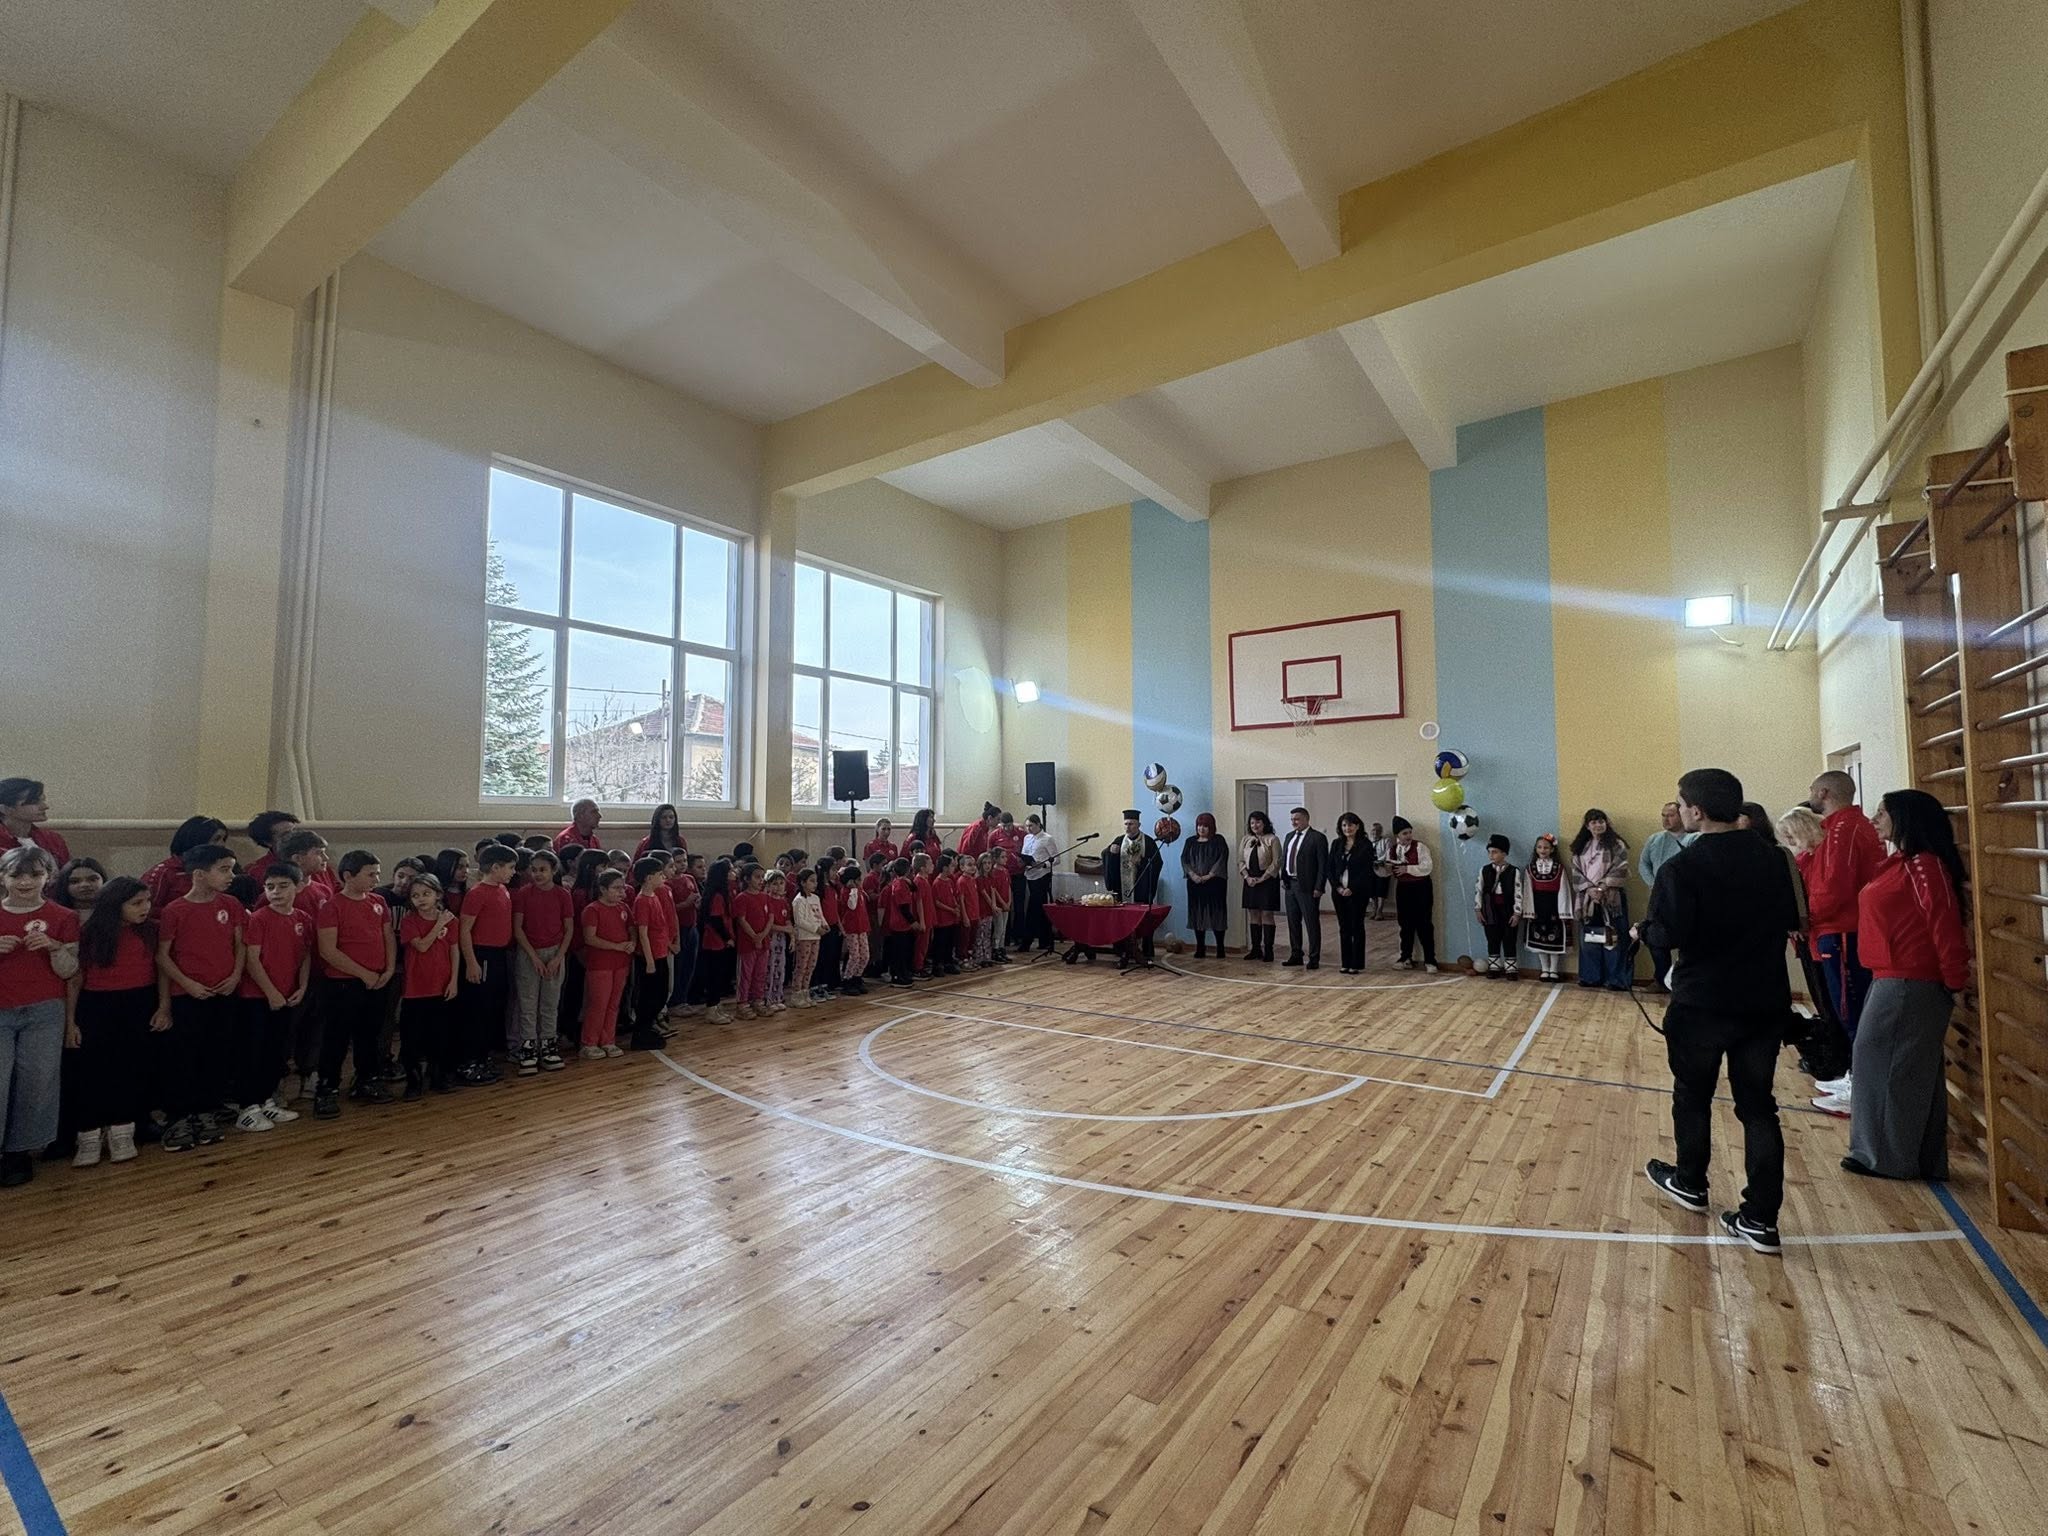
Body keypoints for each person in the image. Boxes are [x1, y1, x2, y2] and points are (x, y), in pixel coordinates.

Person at [1639, 767, 1800, 1255]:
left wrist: (1643, 931)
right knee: (1759, 1107)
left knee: (1692, 1095)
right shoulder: (1776, 859)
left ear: (1697, 810)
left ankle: (1690, 1181)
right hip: (1763, 1001)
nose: (1679, 810)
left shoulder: (1683, 867)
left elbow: (1668, 933)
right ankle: (1761, 1219)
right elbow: (1793, 918)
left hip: (1704, 1003)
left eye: (1681, 802)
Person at [1841, 790, 1972, 1177]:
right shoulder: (1900, 863)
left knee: (1884, 1066)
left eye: (1882, 813)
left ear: (1905, 819)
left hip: (1909, 981)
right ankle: (1918, 1157)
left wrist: (1954, 978)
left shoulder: (1923, 866)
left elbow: (1943, 923)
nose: (1874, 819)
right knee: (1910, 1069)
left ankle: (1882, 1157)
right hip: (1893, 976)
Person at [1803, 770, 1886, 1106]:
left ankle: (1862, 1089)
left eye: (1812, 789)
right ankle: (1854, 1075)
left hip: (1842, 930)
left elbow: (1834, 887)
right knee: (1845, 1010)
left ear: (1824, 792)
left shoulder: (1845, 829)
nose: (1809, 793)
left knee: (1851, 1009)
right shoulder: (1834, 828)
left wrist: (1807, 916)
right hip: (1834, 929)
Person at [155, 843, 245, 1146]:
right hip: (188, 995)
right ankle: (180, 1116)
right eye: (224, 869)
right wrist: (187, 983)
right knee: (184, 1056)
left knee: (217, 1053)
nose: (231, 875)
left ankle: (207, 1110)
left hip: (223, 992)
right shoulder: (175, 910)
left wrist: (235, 976)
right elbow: (163, 956)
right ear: (199, 874)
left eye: (231, 869)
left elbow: (240, 945)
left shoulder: (231, 904)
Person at [68, 876, 162, 1167]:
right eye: (136, 903)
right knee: (95, 1069)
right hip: (97, 1005)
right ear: (115, 904)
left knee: (132, 1067)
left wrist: (164, 1007)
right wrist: (70, 1021)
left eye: (147, 901)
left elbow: (161, 969)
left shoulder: (151, 931)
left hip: (140, 1002)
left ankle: (124, 1130)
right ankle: (89, 1133)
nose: (144, 908)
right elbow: (76, 978)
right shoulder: (91, 933)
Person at [311, 851, 395, 1118]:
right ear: (348, 876)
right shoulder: (332, 906)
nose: (376, 879)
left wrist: (389, 968)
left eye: (377, 874)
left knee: (370, 1034)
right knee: (336, 1037)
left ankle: (366, 1080)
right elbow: (328, 950)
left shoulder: (378, 901)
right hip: (344, 984)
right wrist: (363, 974)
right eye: (370, 874)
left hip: (377, 981)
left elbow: (387, 937)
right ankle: (327, 1088)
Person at [236, 863, 312, 1133]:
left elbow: (305, 955)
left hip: (287, 996)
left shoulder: (303, 918)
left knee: (276, 1051)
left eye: (283, 886)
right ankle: (247, 1107)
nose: (276, 892)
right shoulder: (259, 918)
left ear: (298, 887)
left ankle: (265, 1099)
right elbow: (252, 960)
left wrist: (302, 986)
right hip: (257, 997)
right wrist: (271, 992)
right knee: (254, 1052)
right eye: (270, 887)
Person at [1777, 805, 1850, 1084]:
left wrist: (1801, 920)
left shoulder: (1819, 857)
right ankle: (1836, 1060)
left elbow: (1821, 897)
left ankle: (1842, 1065)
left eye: (1791, 835)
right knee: (1824, 1001)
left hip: (1824, 935)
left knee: (1836, 1004)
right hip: (1811, 938)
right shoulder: (1805, 858)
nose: (1789, 842)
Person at [457, 844, 516, 1083]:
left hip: (499, 955)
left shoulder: (502, 889)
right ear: (495, 867)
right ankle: (470, 1062)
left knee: (492, 1008)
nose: (513, 872)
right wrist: (472, 962)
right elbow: (464, 930)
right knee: (479, 1010)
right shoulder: (477, 893)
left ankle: (482, 1057)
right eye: (510, 867)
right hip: (483, 956)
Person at [398, 874, 460, 1095]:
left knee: (440, 1034)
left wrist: (454, 980)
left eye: (426, 894)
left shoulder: (451, 920)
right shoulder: (409, 921)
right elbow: (422, 946)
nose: (421, 899)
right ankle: (413, 1080)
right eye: (415, 895)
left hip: (441, 986)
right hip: (415, 989)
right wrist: (439, 924)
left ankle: (439, 1075)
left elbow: (454, 950)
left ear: (437, 895)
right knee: (412, 1037)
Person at [512, 849, 572, 1073]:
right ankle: (528, 1048)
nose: (537, 874)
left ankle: (548, 1045)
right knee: (528, 1003)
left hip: (554, 953)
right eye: (534, 870)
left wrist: (558, 957)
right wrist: (534, 957)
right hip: (529, 953)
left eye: (543, 870)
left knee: (550, 1003)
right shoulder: (523, 894)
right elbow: (518, 929)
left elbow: (568, 929)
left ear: (553, 870)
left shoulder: (562, 895)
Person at [1569, 810, 1632, 990]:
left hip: (1611, 898)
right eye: (1594, 822)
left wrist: (1603, 886)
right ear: (1587, 826)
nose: (1598, 825)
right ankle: (1590, 977)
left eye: (1601, 821)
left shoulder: (1616, 844)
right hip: (1587, 899)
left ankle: (1616, 980)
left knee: (1614, 938)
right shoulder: (1581, 846)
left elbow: (1621, 868)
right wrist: (1589, 889)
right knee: (1589, 938)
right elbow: (1576, 871)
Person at [577, 870, 634, 1057]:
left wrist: (632, 942)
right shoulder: (592, 910)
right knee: (598, 1004)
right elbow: (590, 938)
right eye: (616, 888)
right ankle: (589, 1042)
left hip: (621, 963)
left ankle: (608, 1040)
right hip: (600, 965)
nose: (621, 892)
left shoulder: (623, 908)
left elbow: (631, 928)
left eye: (622, 888)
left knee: (614, 1003)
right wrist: (616, 946)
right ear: (602, 889)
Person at [1638, 803, 1691, 989]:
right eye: (1663, 815)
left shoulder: (1694, 839)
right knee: (1655, 938)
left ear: (1681, 815)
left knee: (1686, 939)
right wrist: (1654, 884)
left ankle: (1682, 981)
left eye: (1670, 815)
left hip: (1683, 898)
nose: (1666, 819)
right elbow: (1643, 864)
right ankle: (1661, 979)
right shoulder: (1655, 839)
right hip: (1658, 899)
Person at [142, 817, 230, 914]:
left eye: (223, 839)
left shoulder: (221, 871)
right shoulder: (164, 872)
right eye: (216, 839)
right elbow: (145, 912)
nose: (222, 845)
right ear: (197, 840)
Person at [1108, 811, 1163, 963]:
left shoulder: (1148, 842)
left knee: (1144, 918)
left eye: (1131, 824)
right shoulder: (1119, 841)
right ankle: (1122, 947)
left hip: (1141, 888)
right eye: (1126, 824)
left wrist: (1143, 862)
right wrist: (1111, 853)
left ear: (1138, 825)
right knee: (1121, 918)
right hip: (1123, 888)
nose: (1128, 827)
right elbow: (1107, 856)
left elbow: (1157, 863)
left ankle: (1146, 948)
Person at [1277, 808, 1329, 969]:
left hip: (1307, 886)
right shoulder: (1289, 836)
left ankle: (1314, 957)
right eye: (1292, 819)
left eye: (1297, 819)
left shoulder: (1317, 838)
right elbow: (1285, 858)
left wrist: (1319, 886)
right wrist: (1284, 877)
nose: (1294, 822)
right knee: (1293, 922)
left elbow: (1322, 865)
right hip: (1290, 885)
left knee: (1311, 923)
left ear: (1306, 819)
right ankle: (1296, 954)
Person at [631, 856, 675, 1041]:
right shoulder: (642, 901)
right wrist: (649, 961)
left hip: (660, 952)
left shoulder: (654, 896)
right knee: (649, 995)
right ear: (649, 878)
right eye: (659, 874)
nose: (663, 877)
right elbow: (643, 933)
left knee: (661, 993)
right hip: (650, 956)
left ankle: (649, 1026)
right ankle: (642, 1030)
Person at [1386, 818, 1438, 972]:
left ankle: (1430, 960)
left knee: (1424, 924)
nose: (1408, 835)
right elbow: (1388, 869)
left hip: (1421, 888)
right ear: (1397, 835)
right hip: (1403, 888)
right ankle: (1406, 957)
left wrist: (1407, 869)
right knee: (1405, 924)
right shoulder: (1392, 850)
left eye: (1410, 832)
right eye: (1404, 833)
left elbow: (1427, 867)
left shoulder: (1420, 847)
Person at [1326, 814, 1375, 974]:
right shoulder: (1336, 844)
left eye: (1351, 825)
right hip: (1339, 892)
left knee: (1357, 926)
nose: (1347, 828)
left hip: (1358, 892)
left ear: (1358, 826)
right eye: (1344, 825)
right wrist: (1338, 887)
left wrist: (1352, 888)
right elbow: (1330, 868)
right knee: (1344, 927)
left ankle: (1356, 963)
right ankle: (1345, 962)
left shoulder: (1365, 845)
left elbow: (1366, 871)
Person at [1521, 834, 1573, 981]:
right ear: (1536, 849)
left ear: (1552, 849)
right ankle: (1544, 969)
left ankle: (1554, 969)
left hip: (1554, 907)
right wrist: (1529, 910)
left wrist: (1564, 911)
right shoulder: (1530, 868)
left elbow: (1564, 889)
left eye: (1546, 847)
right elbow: (1527, 890)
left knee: (1554, 939)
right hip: (1537, 907)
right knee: (1539, 940)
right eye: (1539, 847)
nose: (1542, 850)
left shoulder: (1559, 868)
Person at [1180, 814, 1231, 959]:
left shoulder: (1219, 840)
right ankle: (1200, 947)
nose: (1201, 829)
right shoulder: (1190, 841)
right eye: (1199, 825)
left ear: (1211, 827)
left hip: (1215, 883)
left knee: (1217, 913)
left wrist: (1209, 875)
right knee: (1197, 913)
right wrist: (1193, 874)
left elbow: (1222, 858)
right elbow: (1184, 859)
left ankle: (1220, 947)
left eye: (1205, 826)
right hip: (1194, 883)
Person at [1475, 835, 1521, 979]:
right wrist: (1478, 909)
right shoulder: (1484, 870)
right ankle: (1494, 967)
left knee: (1509, 938)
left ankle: (1511, 969)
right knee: (1492, 938)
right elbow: (1479, 890)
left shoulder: (1514, 871)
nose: (1491, 855)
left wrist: (1517, 913)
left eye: (1494, 852)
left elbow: (1518, 893)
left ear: (1504, 853)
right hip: (1490, 909)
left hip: (1507, 909)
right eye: (1489, 852)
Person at [1239, 811, 1282, 962]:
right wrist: (1247, 877)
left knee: (1267, 914)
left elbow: (1276, 862)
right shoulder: (1246, 839)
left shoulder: (1273, 839)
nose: (1255, 825)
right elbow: (1240, 861)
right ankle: (1256, 949)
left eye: (1258, 822)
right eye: (1252, 823)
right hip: (1250, 880)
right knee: (1253, 913)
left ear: (1264, 823)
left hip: (1267, 881)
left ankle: (1269, 950)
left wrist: (1262, 879)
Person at [0, 780, 71, 869]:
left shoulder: (52, 839)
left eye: (42, 800)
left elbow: (67, 873)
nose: (45, 806)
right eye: (34, 802)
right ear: (4, 809)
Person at [733, 864, 773, 1017]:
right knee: (745, 974)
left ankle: (758, 1000)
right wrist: (754, 936)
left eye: (762, 877)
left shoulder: (765, 897)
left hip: (763, 942)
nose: (761, 880)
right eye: (757, 877)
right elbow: (741, 920)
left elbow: (770, 918)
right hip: (747, 943)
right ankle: (742, 1003)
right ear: (746, 879)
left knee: (760, 973)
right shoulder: (742, 897)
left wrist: (762, 935)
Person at [1020, 815, 1058, 952]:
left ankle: (1027, 941)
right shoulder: (1027, 838)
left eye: (1031, 826)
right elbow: (1025, 854)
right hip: (1029, 874)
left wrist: (1043, 865)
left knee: (1034, 908)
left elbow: (1056, 859)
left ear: (1038, 824)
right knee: (1040, 908)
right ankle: (1044, 940)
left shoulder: (1047, 838)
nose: (1029, 829)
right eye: (1027, 826)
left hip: (1042, 876)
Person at [790, 869, 825, 1008]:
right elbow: (800, 921)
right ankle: (796, 994)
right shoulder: (799, 900)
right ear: (803, 882)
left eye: (816, 881)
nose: (815, 884)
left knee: (811, 966)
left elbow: (820, 914)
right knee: (801, 966)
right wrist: (816, 928)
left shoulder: (815, 898)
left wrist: (824, 925)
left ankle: (805, 992)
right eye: (811, 881)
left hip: (816, 937)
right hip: (804, 937)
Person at [884, 857, 919, 988]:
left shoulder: (902, 882)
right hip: (899, 923)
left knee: (904, 950)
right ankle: (897, 975)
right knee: (898, 951)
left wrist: (907, 880)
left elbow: (914, 888)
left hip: (903, 924)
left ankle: (903, 972)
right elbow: (903, 907)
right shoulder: (899, 885)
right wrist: (913, 921)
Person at [761, 868, 792, 1012]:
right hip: (770, 937)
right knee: (769, 968)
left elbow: (787, 920)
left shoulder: (784, 902)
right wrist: (785, 929)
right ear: (767, 885)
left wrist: (792, 936)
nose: (778, 887)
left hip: (781, 939)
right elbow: (769, 924)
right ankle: (767, 999)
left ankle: (777, 996)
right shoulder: (766, 900)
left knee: (780, 968)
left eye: (781, 883)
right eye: (774, 883)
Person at [837, 865, 871, 995]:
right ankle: (847, 979)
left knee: (865, 955)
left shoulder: (860, 890)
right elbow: (852, 906)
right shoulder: (846, 891)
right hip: (851, 928)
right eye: (858, 879)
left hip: (862, 926)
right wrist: (853, 890)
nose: (860, 882)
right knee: (854, 956)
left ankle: (857, 976)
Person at [243, 811, 301, 884]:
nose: (295, 837)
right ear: (267, 842)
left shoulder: (310, 861)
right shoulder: (255, 871)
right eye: (286, 835)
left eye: (295, 832)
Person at [1366, 822, 1391, 921]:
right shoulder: (1367, 842)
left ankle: (1380, 911)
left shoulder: (1386, 840)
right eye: (1373, 830)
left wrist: (1377, 861)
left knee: (1381, 890)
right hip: (1370, 869)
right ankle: (1374, 910)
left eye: (1378, 830)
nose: (1375, 832)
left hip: (1382, 868)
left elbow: (1388, 853)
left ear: (1381, 831)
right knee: (1372, 890)